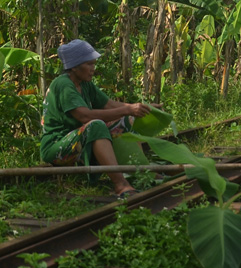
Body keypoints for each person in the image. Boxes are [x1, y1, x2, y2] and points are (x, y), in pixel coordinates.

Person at [40, 39, 155, 198]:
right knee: (96, 125)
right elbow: (84, 115)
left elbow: (108, 104)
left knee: (128, 120)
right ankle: (120, 185)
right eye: (89, 64)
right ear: (74, 66)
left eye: (94, 64)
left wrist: (139, 108)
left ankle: (141, 171)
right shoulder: (63, 85)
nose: (93, 69)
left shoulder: (84, 83)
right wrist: (128, 109)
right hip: (56, 146)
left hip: (77, 139)